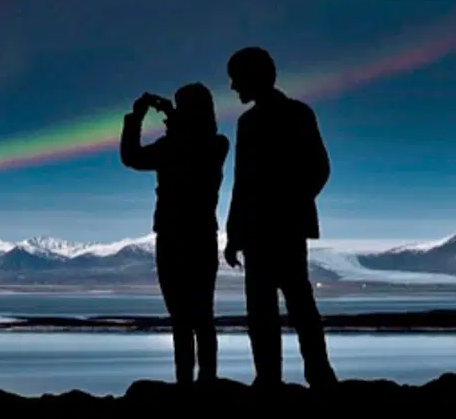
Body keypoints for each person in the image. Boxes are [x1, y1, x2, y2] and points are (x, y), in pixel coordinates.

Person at [222, 46, 338, 388]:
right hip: (263, 232)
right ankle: (276, 378)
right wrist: (234, 234)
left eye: (236, 79)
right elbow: (242, 183)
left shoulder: (296, 114)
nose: (233, 88)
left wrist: (285, 206)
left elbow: (319, 168)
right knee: (266, 311)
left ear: (254, 76)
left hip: (280, 229)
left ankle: (314, 375)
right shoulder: (250, 122)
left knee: (295, 305)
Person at [121, 83, 230, 386]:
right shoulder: (213, 143)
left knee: (189, 317)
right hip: (195, 235)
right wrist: (167, 117)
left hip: (177, 236)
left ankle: (195, 382)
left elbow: (133, 156)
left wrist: (139, 118)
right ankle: (198, 380)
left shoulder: (206, 144)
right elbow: (136, 157)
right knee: (194, 315)